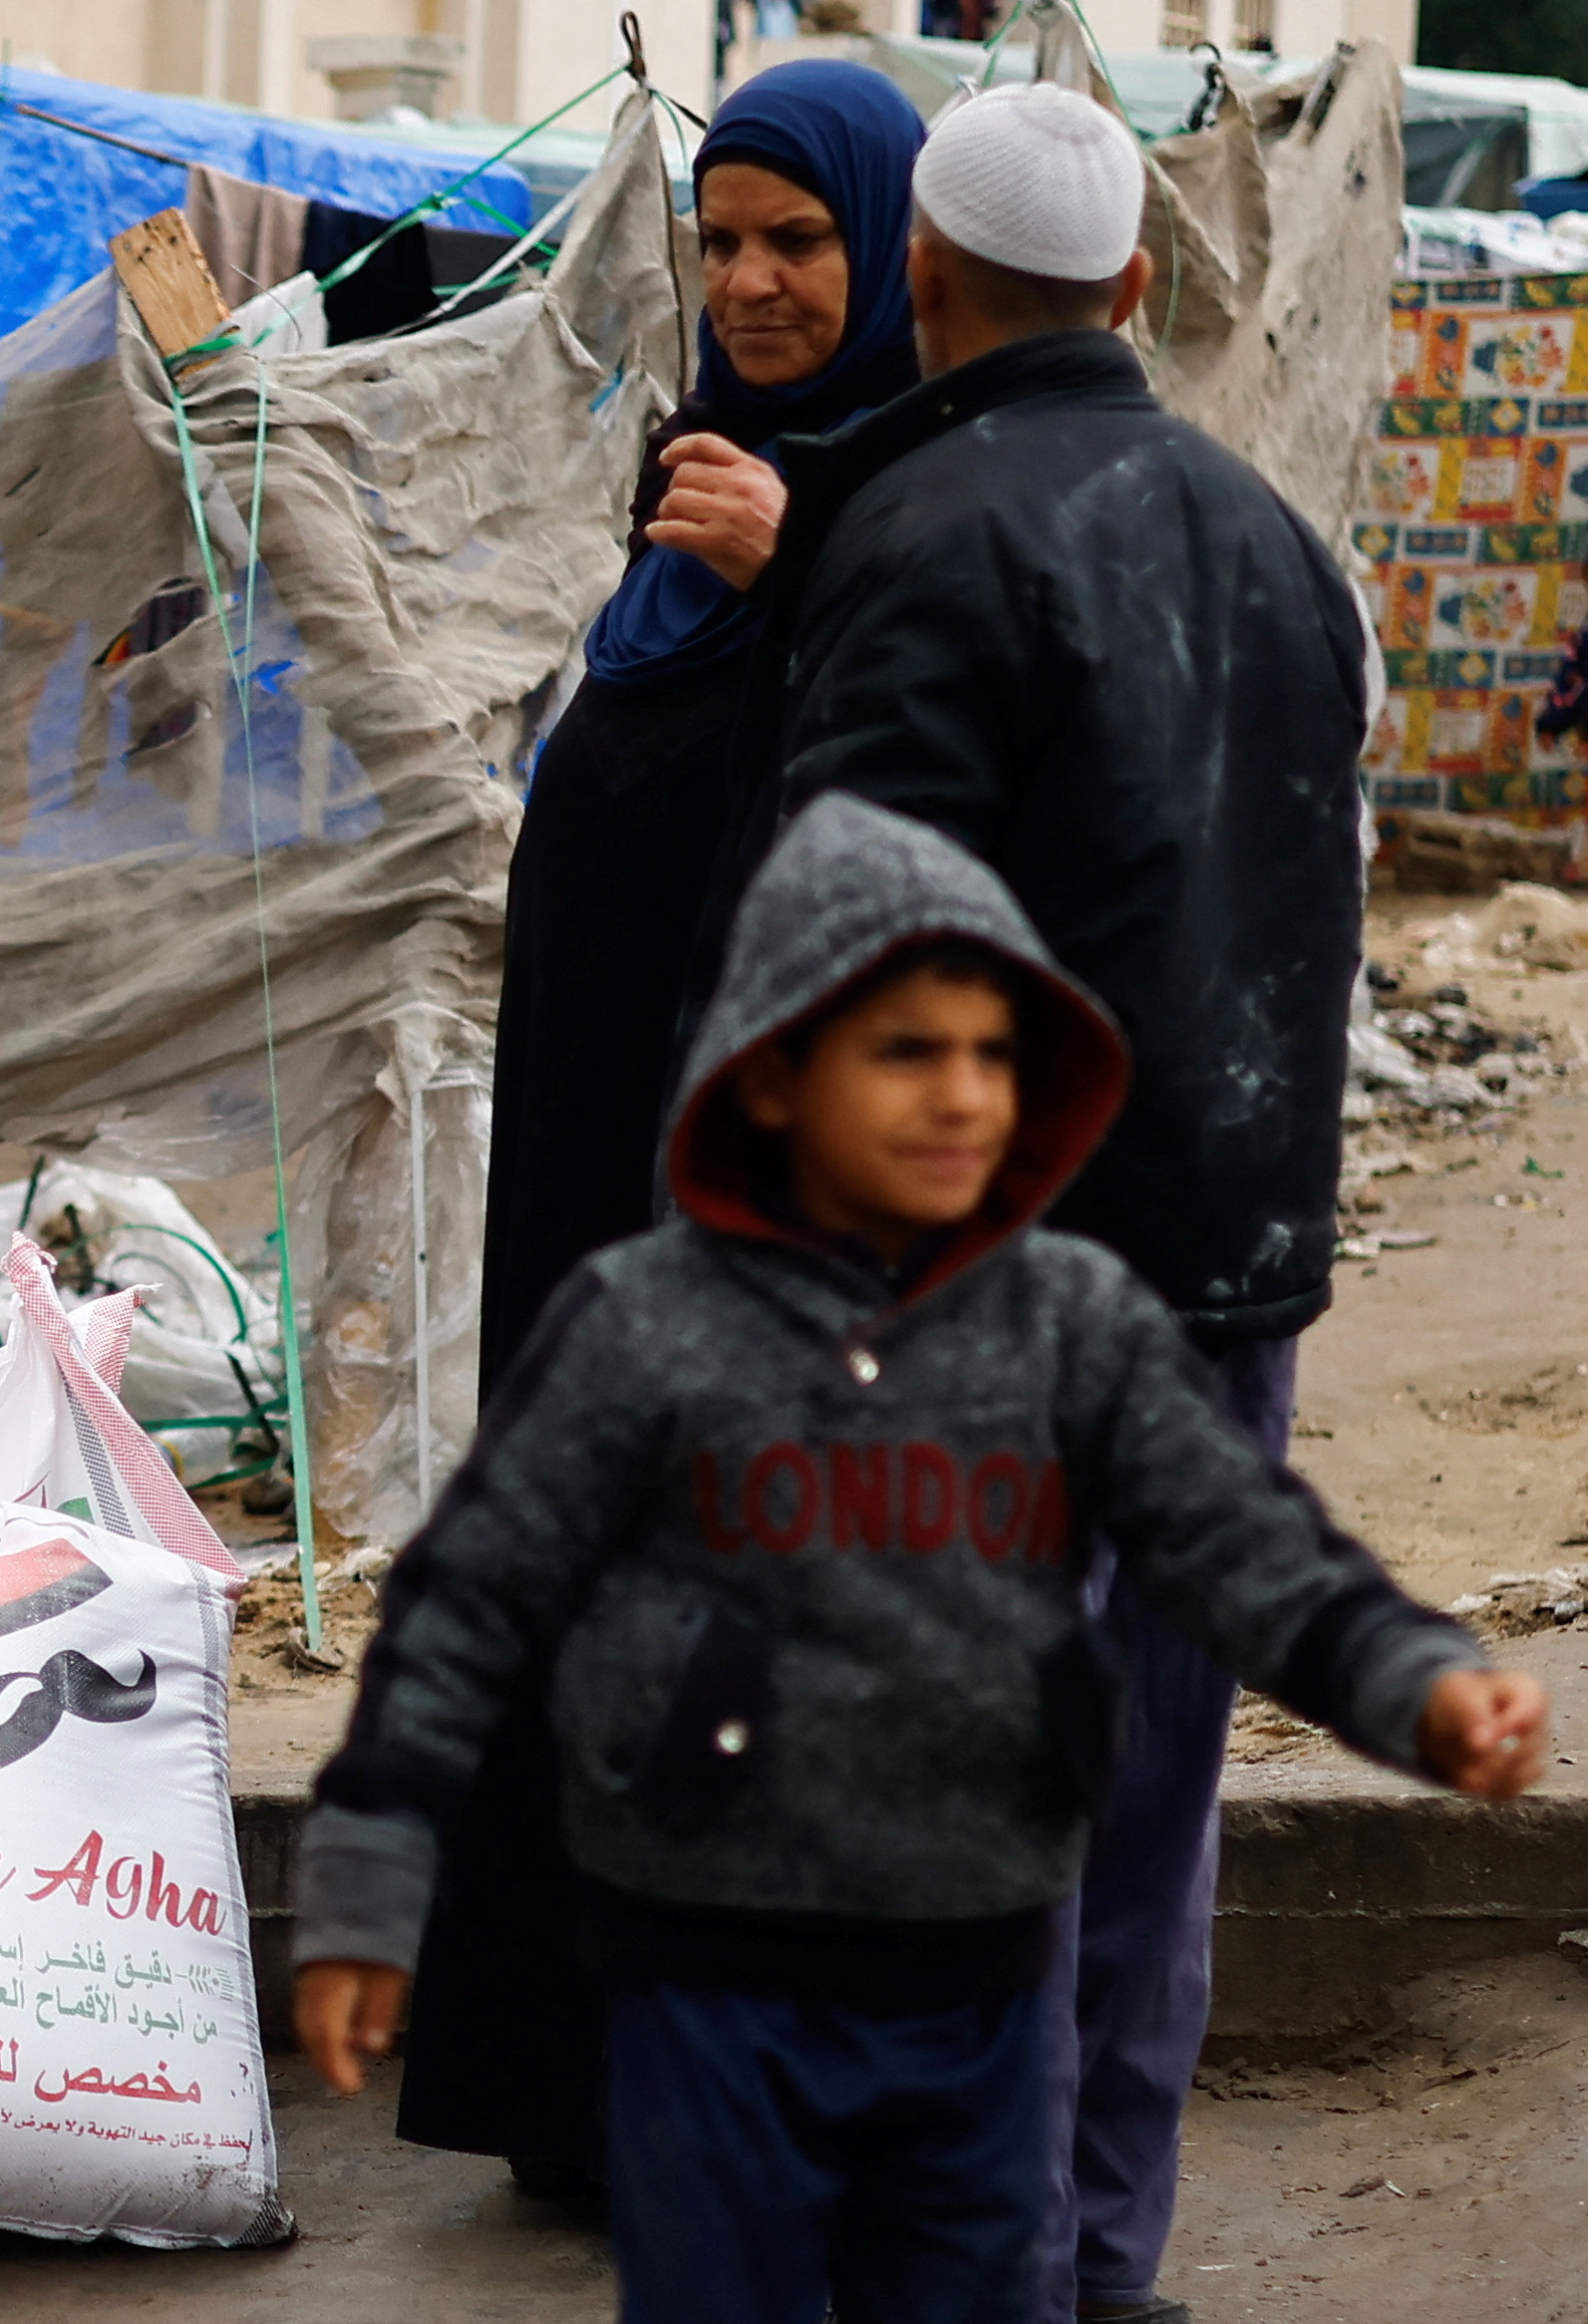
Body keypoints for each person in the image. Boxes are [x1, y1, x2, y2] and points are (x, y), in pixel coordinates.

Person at [294, 795, 1548, 2324]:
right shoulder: (642, 1327)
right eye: (905, 1051)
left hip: (984, 1993)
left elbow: (1246, 1548)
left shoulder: (1070, 1324)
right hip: (708, 1997)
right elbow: (466, 1606)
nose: (961, 1094)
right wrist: (364, 1888)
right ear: (769, 1071)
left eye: (993, 1053)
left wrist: (1415, 1682)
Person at [691, 84, 1377, 2324]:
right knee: (1148, 1796)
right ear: (1138, 288)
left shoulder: (908, 533)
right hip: (1225, 1281)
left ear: (916, 277)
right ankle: (1096, 2254)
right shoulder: (1275, 545)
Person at [446, 56, 925, 2198]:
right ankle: (570, 2092)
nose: (746, 279)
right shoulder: (688, 487)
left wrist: (801, 563)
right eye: (719, 241)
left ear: (894, 248)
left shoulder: (903, 497)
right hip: (585, 1198)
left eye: (794, 241)